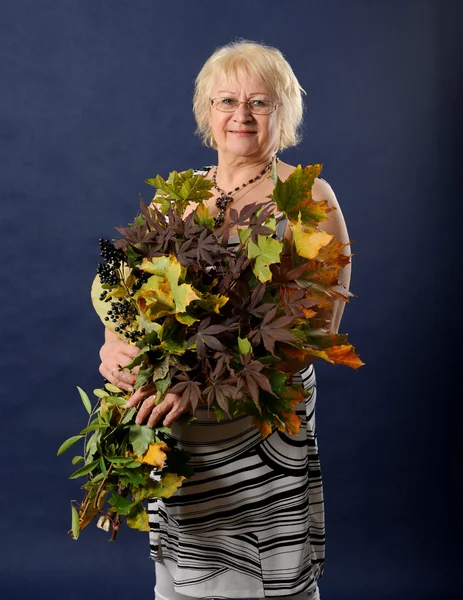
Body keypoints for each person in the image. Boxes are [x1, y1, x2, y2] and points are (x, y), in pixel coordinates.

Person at [99, 40, 351, 600]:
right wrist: (113, 340)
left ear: (283, 113)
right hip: (182, 428)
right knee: (189, 581)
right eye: (227, 100)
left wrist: (206, 393)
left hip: (256, 430)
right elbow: (121, 286)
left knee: (260, 583)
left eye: (259, 102)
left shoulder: (308, 198)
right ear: (206, 111)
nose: (241, 115)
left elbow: (312, 334)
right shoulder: (180, 195)